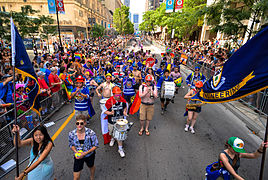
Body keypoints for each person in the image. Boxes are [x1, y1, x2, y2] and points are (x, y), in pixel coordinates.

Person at [68, 114, 99, 180]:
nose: (79, 125)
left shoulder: (91, 133)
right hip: (78, 156)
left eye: (81, 123)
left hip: (89, 155)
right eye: (77, 123)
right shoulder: (71, 134)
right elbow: (71, 145)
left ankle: (92, 177)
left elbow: (96, 145)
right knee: (76, 177)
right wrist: (75, 151)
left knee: (91, 166)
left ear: (85, 123)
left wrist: (85, 153)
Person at [104, 86, 128, 158]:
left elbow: (125, 106)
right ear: (113, 94)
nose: (118, 96)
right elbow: (104, 111)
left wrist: (124, 112)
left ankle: (120, 149)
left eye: (119, 94)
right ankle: (112, 138)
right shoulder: (109, 101)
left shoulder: (122, 100)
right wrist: (110, 113)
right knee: (111, 132)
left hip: (120, 120)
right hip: (111, 120)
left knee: (119, 135)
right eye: (117, 95)